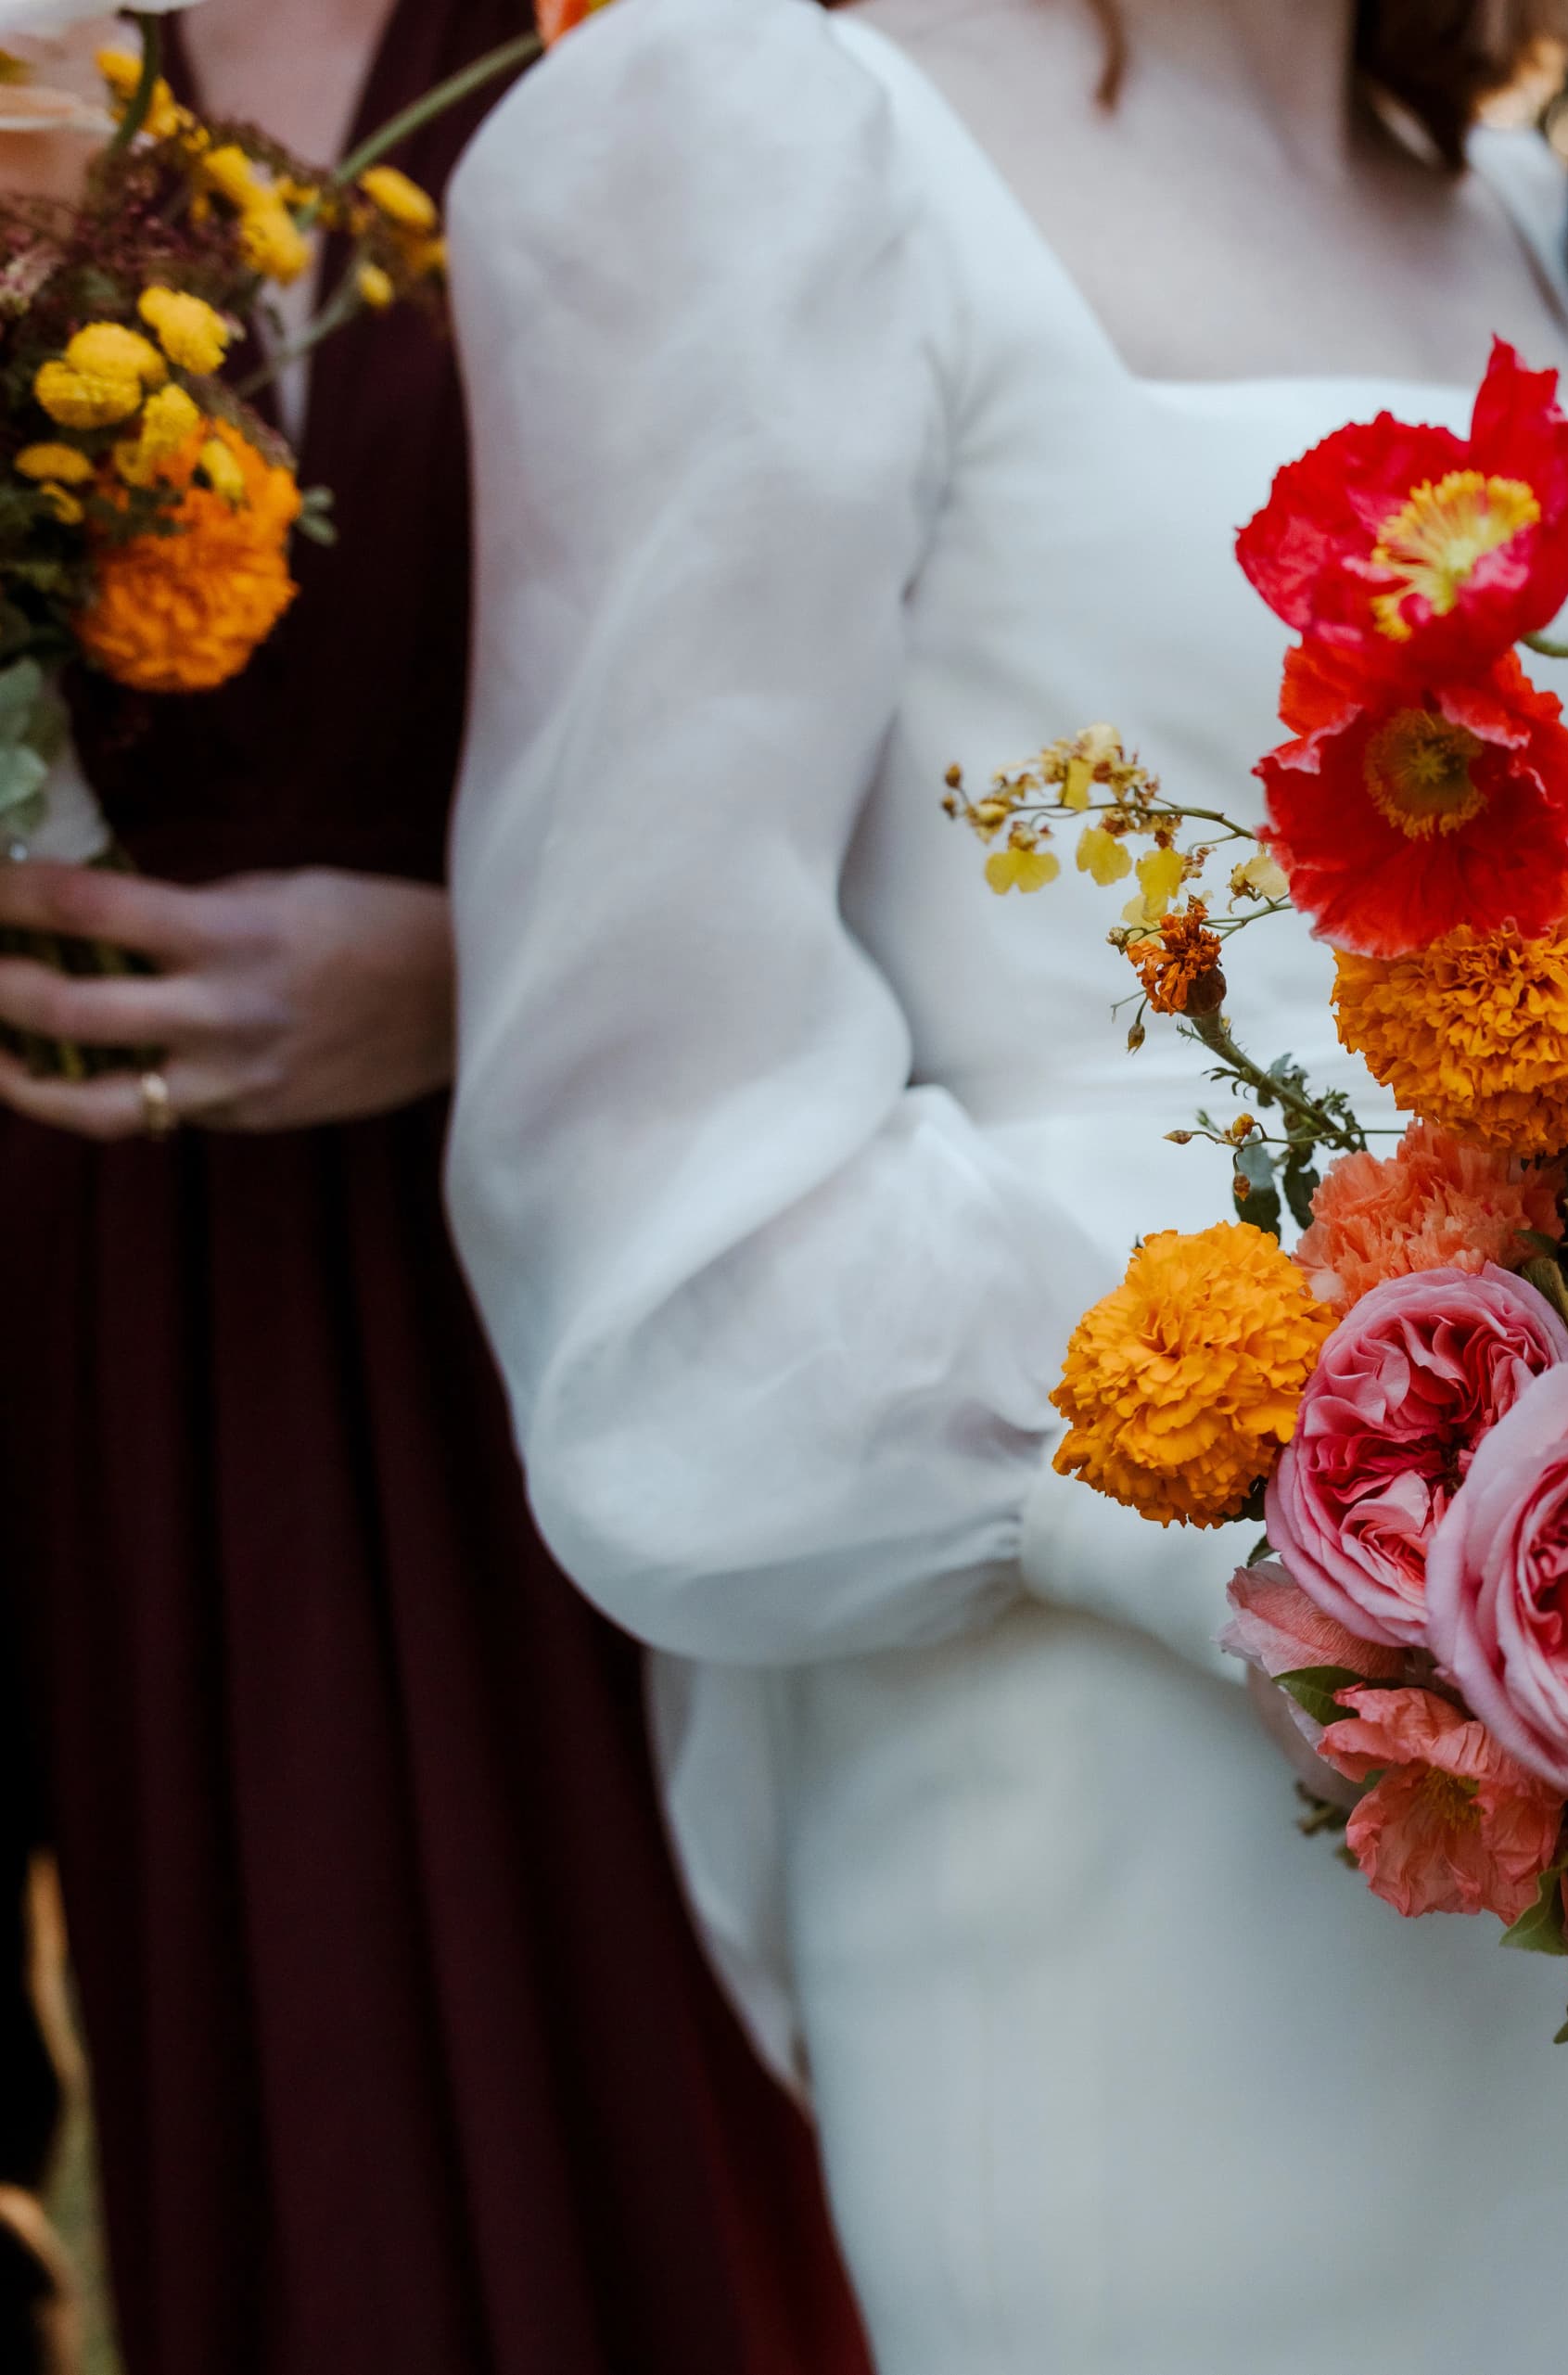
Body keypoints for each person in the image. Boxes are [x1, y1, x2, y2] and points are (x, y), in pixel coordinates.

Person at [435, 0, 1568, 2364]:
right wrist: (1309, 1488)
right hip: (1105, 1763)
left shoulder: (1515, 201)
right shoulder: (761, 127)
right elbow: (647, 1183)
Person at [0, 0, 876, 2366]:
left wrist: (489, 975)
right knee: (266, 2067)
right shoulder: (41, 62)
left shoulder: (690, 53)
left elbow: (906, 687)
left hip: (550, 1256)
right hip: (119, 1276)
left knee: (625, 2089)